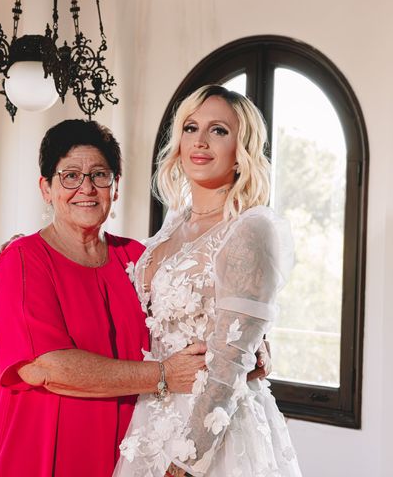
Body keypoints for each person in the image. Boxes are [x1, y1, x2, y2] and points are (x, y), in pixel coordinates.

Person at [0, 119, 269, 477]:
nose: (86, 187)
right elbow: (47, 367)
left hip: (123, 456)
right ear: (46, 189)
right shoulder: (21, 259)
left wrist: (250, 343)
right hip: (38, 455)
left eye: (100, 175)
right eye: (69, 176)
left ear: (115, 188)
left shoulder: (138, 259)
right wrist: (163, 374)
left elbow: (197, 310)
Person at [113, 85, 302, 477]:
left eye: (218, 130)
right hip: (152, 417)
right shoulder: (172, 226)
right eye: (191, 127)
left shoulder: (251, 229)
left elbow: (231, 362)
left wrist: (186, 462)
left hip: (215, 431)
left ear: (242, 148)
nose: (200, 141)